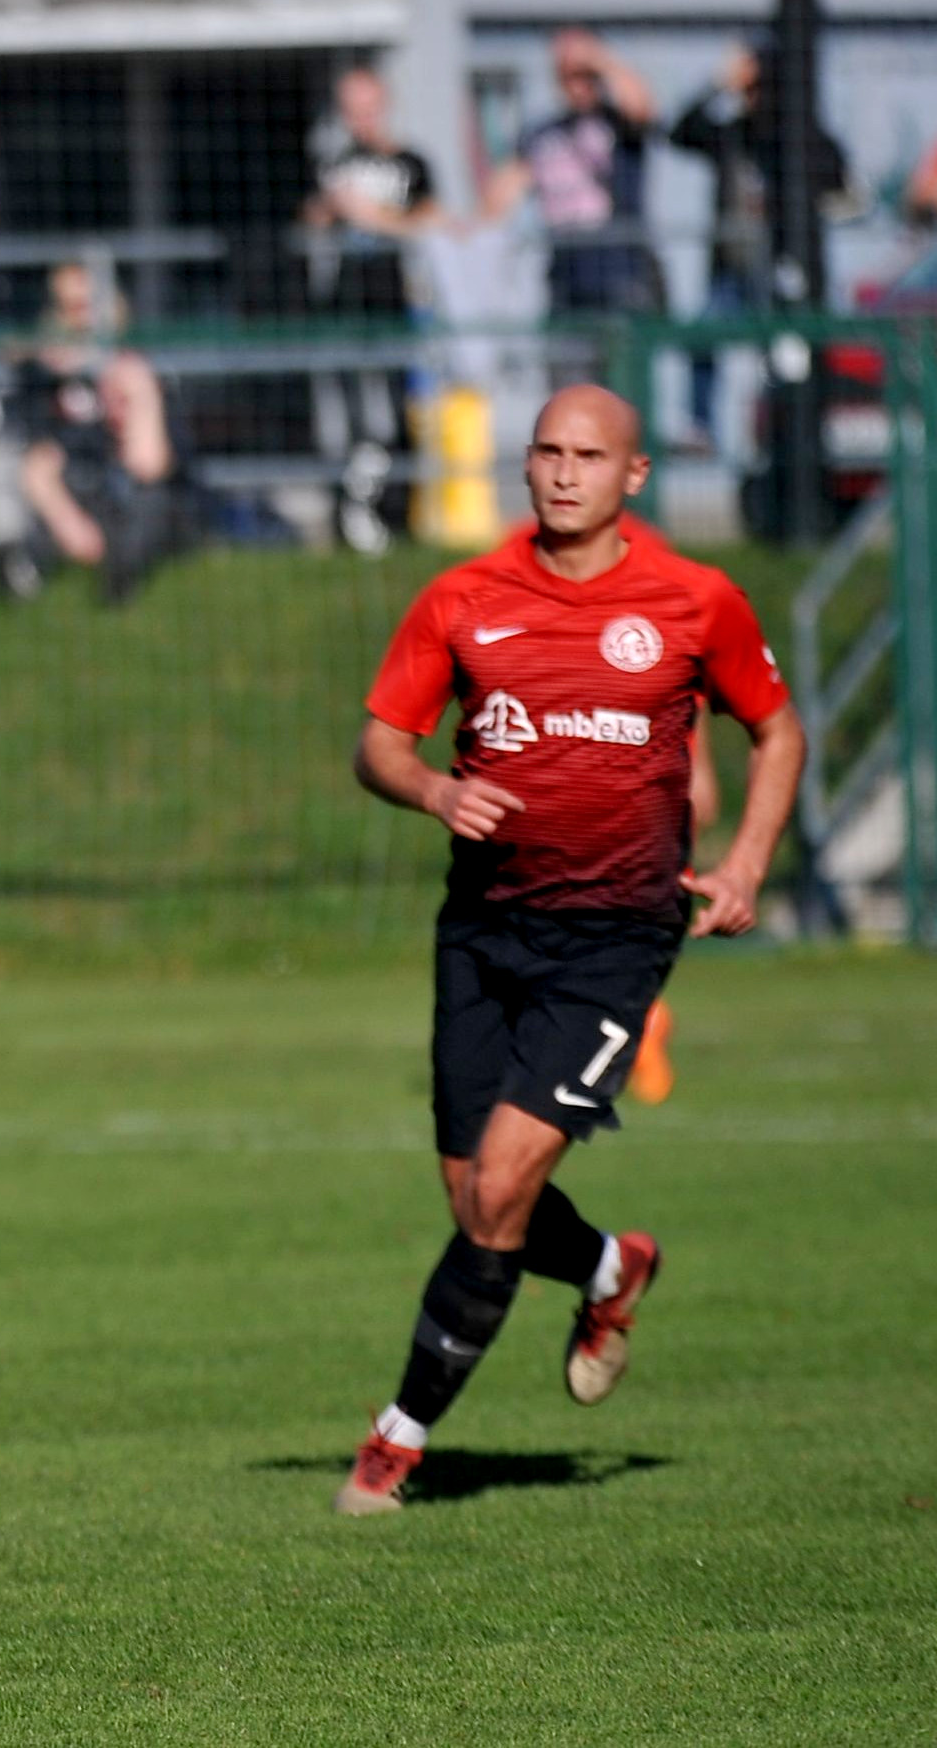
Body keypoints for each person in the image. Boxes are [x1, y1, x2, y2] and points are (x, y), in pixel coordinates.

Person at [334, 384, 801, 1515]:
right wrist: (436, 790)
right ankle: (610, 1267)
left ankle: (395, 1444)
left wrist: (744, 864)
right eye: (547, 451)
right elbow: (379, 747)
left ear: (634, 474)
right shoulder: (464, 597)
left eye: (589, 456)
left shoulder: (694, 599)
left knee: (499, 1190)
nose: (562, 472)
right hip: (482, 928)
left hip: (614, 940)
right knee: (474, 1198)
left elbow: (776, 729)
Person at [666, 44, 852, 454]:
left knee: (786, 360)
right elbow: (679, 132)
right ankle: (700, 427)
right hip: (732, 270)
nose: (754, 99)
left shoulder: (798, 137)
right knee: (702, 336)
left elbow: (837, 174)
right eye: (749, 89)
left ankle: (783, 434)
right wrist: (718, 84)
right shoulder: (731, 134)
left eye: (762, 88)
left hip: (783, 271)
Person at [300, 68, 442, 552]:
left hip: (396, 304)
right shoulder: (332, 165)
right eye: (350, 110)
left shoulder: (412, 163)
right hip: (344, 308)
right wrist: (328, 211)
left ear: (384, 105)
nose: (359, 119)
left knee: (398, 413)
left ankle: (400, 515)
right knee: (353, 417)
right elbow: (309, 222)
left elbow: (431, 221)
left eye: (367, 108)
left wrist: (371, 216)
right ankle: (353, 516)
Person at [0, 260, 188, 606]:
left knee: (150, 504)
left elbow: (150, 463)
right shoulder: (41, 377)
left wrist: (141, 395)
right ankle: (22, 578)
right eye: (68, 308)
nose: (81, 320)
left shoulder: (141, 365)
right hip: (68, 491)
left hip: (127, 491)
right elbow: (37, 462)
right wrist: (70, 525)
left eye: (88, 306)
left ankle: (120, 582)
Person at [488, 30, 659, 318]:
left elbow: (642, 107)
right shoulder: (542, 133)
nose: (577, 85)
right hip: (565, 276)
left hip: (620, 274)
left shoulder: (618, 123)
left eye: (585, 75)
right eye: (567, 76)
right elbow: (502, 193)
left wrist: (596, 57)